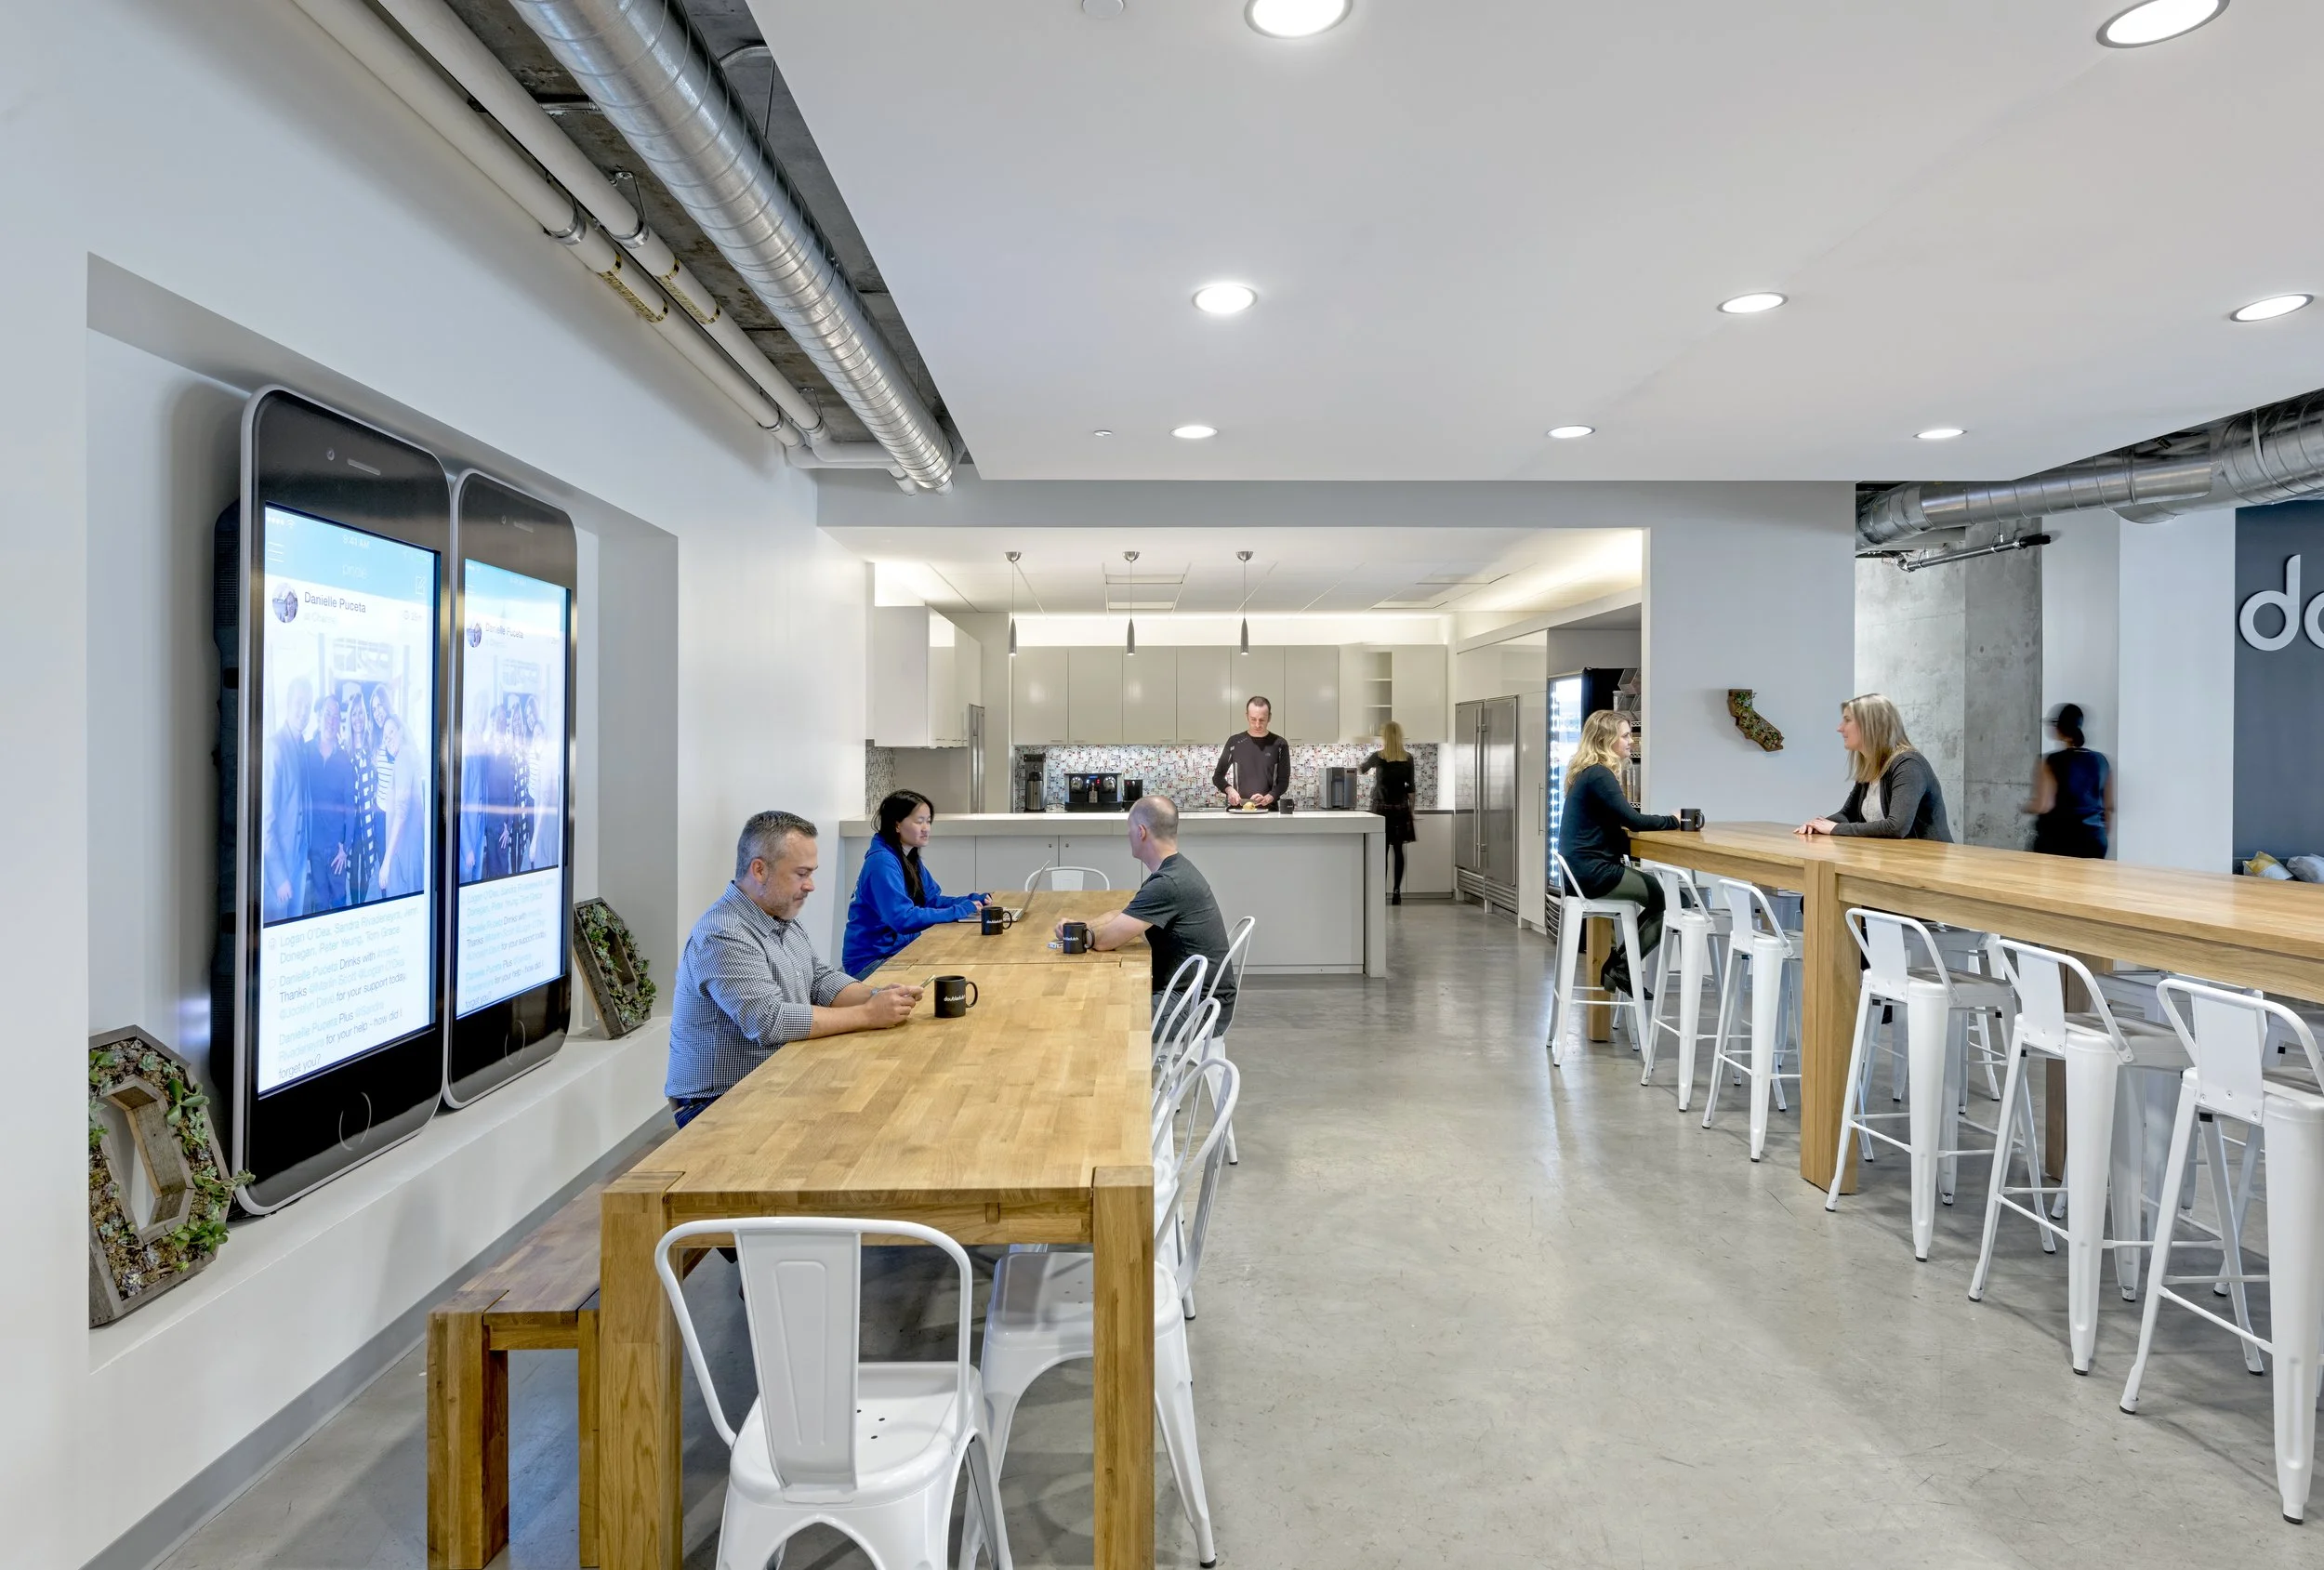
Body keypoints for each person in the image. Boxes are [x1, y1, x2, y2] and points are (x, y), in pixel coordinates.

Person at [665, 810, 922, 1128]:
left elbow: (819, 980)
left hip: (772, 1081)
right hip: (718, 1102)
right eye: (801, 874)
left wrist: (879, 995)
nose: (810, 886)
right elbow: (769, 1021)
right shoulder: (722, 933)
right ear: (759, 870)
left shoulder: (778, 916)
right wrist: (869, 1014)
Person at [1071, 795, 1237, 1028]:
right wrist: (1081, 927)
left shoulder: (1167, 883)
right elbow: (1122, 916)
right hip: (1194, 995)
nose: (1128, 835)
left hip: (1197, 1005)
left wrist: (1077, 936)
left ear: (1141, 832)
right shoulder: (1174, 870)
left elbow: (1105, 941)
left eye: (1129, 829)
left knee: (1102, 1018)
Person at [1557, 709, 1679, 999]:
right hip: (1594, 873)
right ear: (1605, 740)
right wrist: (1674, 821)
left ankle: (1619, 966)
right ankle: (1621, 967)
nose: (1631, 741)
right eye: (1625, 736)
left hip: (1580, 871)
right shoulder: (1600, 774)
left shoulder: (1587, 773)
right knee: (1675, 902)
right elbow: (1633, 820)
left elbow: (1609, 830)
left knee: (1665, 899)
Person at [842, 790, 991, 975]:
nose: (926, 828)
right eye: (919, 821)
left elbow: (931, 901)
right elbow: (903, 919)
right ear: (897, 824)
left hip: (901, 952)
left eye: (928, 821)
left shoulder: (907, 856)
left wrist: (970, 901)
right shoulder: (882, 862)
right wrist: (959, 911)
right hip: (872, 962)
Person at [1798, 693, 1953, 841]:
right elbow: (1847, 814)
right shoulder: (1871, 766)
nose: (1840, 728)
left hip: (1925, 858)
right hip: (1891, 855)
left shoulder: (1908, 765)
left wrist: (1835, 828)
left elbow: (1896, 827)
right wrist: (1817, 825)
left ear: (1871, 725)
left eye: (1847, 720)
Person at [2026, 702, 2113, 858]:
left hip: (2059, 841)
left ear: (2059, 728)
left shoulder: (2051, 761)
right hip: (2094, 841)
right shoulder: (2102, 761)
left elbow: (2043, 805)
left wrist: (2026, 807)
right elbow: (2109, 807)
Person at [262, 677, 312, 921]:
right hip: (280, 868)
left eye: (307, 705)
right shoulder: (274, 747)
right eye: (299, 703)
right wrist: (279, 876)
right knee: (278, 927)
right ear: (288, 704)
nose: (303, 711)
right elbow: (265, 822)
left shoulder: (303, 746)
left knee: (295, 923)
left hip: (300, 859)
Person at [305, 693, 357, 912]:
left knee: (338, 904)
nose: (331, 721)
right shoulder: (305, 752)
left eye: (336, 717)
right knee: (319, 905)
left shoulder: (344, 760)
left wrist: (346, 847)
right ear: (319, 716)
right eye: (328, 714)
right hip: (314, 848)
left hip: (337, 851)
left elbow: (350, 808)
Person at [1359, 719, 1418, 904]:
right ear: (1399, 736)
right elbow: (1411, 788)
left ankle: (1380, 892)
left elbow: (1361, 769)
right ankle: (1396, 892)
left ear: (1384, 737)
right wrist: (1411, 811)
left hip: (1381, 810)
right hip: (1400, 809)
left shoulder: (1378, 757)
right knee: (1398, 851)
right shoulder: (1408, 758)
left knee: (1381, 851)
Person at [1212, 695, 1291, 809]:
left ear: (1269, 717)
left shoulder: (1280, 744)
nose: (1257, 725)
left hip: (1269, 811)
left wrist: (1269, 797)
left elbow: (1283, 782)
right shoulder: (1234, 742)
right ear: (1247, 716)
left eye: (1262, 720)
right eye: (1253, 719)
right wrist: (1229, 790)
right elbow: (1218, 776)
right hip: (1239, 811)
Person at [377, 713, 425, 898]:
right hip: (408, 850)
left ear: (401, 731)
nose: (388, 738)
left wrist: (386, 861)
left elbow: (401, 812)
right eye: (385, 737)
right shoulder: (407, 755)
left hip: (405, 855)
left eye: (391, 732)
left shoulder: (404, 757)